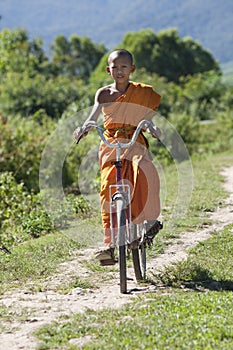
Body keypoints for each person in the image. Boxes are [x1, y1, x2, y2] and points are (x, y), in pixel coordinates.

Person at [73, 49, 162, 264]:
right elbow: (92, 118)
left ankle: (149, 222)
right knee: (107, 188)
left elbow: (148, 120)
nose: (119, 71)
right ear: (108, 70)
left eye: (124, 67)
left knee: (146, 171)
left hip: (134, 141)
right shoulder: (103, 94)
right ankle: (110, 244)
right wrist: (83, 129)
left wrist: (152, 128)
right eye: (115, 67)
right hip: (111, 144)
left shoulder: (143, 93)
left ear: (132, 69)